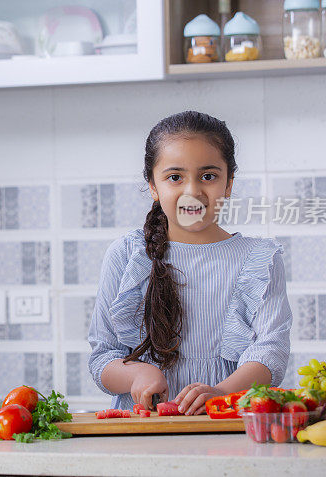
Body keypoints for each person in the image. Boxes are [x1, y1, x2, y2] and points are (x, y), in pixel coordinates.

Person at [88, 110, 291, 415]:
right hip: (144, 431)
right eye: (175, 177)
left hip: (226, 423)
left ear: (228, 184)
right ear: (153, 186)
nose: (193, 192)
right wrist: (137, 373)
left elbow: (270, 352)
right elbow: (103, 358)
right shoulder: (127, 254)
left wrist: (221, 392)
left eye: (208, 176)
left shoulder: (260, 259)